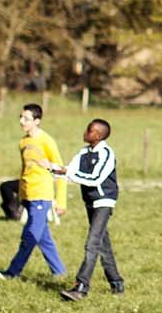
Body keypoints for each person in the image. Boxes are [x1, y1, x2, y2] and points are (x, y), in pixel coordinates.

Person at [45, 118, 122, 300]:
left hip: (103, 202)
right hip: (89, 201)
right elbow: (70, 173)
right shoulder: (83, 153)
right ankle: (117, 283)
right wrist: (52, 168)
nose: (85, 132)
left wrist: (66, 173)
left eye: (89, 130)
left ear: (97, 135)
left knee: (92, 244)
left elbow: (95, 179)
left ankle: (81, 287)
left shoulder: (106, 154)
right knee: (103, 245)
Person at [0, 104, 68, 280]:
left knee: (30, 235)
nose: (21, 121)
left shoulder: (46, 141)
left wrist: (61, 201)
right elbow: (24, 170)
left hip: (41, 196)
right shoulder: (23, 142)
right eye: (20, 117)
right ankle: (60, 273)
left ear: (37, 121)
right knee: (43, 237)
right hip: (27, 195)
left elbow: (61, 171)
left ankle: (12, 272)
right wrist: (21, 194)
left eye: (26, 119)